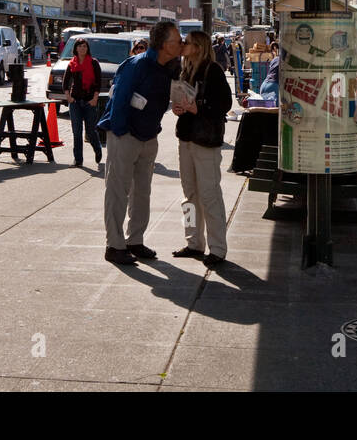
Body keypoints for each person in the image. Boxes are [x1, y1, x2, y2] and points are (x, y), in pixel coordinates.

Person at [96, 20, 182, 265]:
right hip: (125, 135)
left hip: (148, 135)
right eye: (177, 41)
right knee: (118, 191)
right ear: (165, 45)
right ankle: (114, 245)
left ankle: (135, 240)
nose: (181, 44)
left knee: (142, 192)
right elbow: (119, 100)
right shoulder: (137, 64)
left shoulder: (170, 66)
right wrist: (122, 133)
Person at [171, 31, 233, 268]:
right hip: (186, 137)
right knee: (189, 195)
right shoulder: (185, 70)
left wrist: (199, 107)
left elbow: (224, 104)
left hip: (206, 140)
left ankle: (217, 248)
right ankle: (193, 242)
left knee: (209, 195)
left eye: (186, 43)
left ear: (197, 46)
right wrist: (178, 107)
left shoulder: (212, 70)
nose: (182, 45)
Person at [62, 38, 103, 168]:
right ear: (76, 49)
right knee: (77, 132)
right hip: (75, 102)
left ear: (87, 48)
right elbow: (65, 82)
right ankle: (78, 160)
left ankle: (97, 149)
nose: (82, 49)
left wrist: (95, 98)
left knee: (90, 131)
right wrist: (68, 97)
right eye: (80, 46)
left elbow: (98, 83)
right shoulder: (72, 63)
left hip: (89, 101)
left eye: (84, 46)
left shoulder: (93, 63)